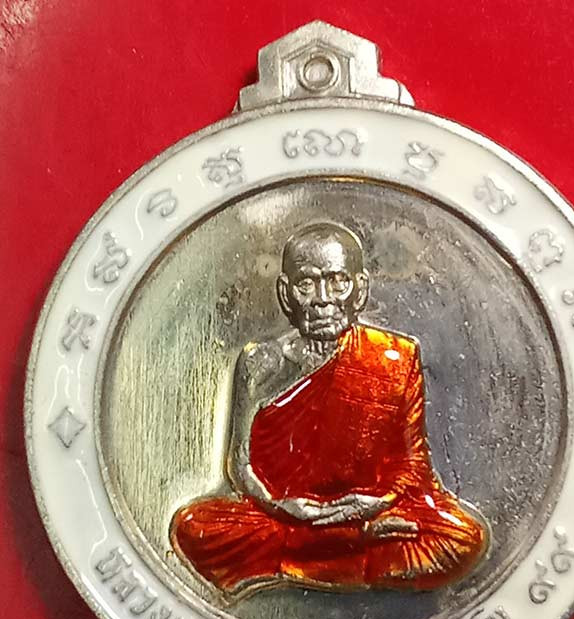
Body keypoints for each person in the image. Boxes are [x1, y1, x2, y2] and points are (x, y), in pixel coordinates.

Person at [171, 222, 487, 597]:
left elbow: (412, 464)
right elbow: (240, 466)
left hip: (367, 510)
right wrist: (279, 506)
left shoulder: (394, 357)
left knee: (461, 537)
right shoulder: (261, 363)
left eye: (337, 282)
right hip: (288, 514)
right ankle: (351, 546)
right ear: (285, 293)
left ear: (360, 289)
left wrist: (379, 501)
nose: (322, 299)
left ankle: (301, 558)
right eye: (306, 284)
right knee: (195, 527)